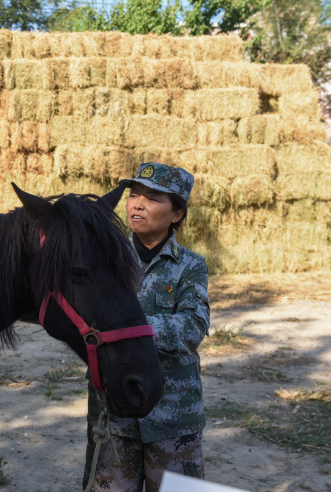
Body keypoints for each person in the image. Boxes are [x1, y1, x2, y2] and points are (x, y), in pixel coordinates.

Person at [83, 162, 210, 492]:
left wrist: (129, 329)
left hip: (173, 417)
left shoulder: (190, 266)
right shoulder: (103, 259)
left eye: (152, 199)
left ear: (177, 214)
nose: (137, 204)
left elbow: (193, 327)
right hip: (115, 416)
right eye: (134, 195)